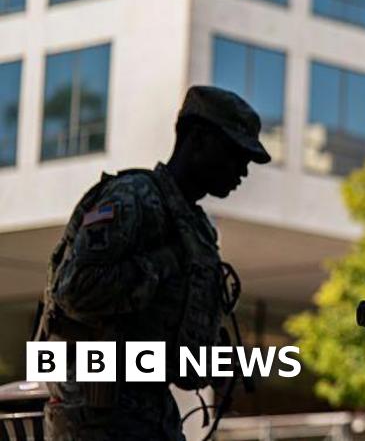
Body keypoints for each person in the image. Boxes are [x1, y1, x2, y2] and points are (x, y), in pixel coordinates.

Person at [38, 85, 270, 440]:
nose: (243, 170)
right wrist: (164, 264)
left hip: (149, 410)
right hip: (96, 416)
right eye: (234, 153)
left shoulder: (194, 226)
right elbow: (75, 290)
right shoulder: (132, 198)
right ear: (198, 139)